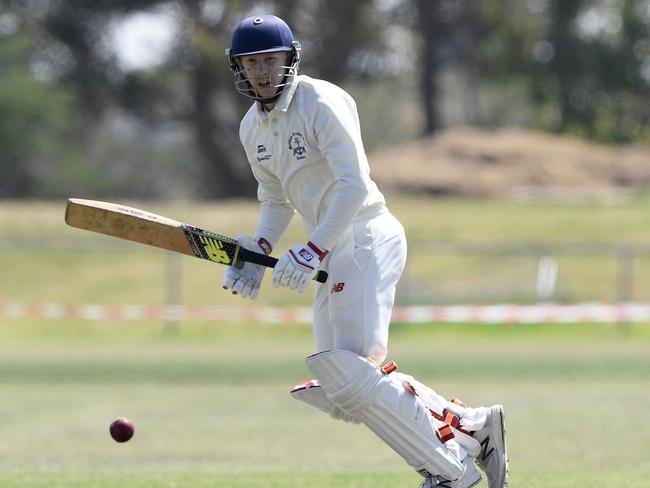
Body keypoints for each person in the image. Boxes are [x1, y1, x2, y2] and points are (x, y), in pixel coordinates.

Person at [222, 14, 508, 488]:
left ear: (290, 58)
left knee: (351, 373)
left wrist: (311, 249)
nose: (261, 71)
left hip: (366, 234)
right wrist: (261, 248)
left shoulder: (319, 99)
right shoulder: (253, 126)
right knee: (341, 384)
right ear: (240, 69)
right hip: (333, 247)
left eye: (270, 60)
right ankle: (472, 426)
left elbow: (353, 185)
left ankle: (450, 473)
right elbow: (275, 200)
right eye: (251, 63)